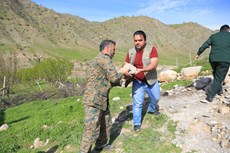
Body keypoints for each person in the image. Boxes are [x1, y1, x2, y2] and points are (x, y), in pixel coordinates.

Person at [79, 39, 131, 153]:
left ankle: (102, 145)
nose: (115, 52)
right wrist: (123, 71)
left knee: (106, 122)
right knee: (91, 129)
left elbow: (108, 79)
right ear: (107, 49)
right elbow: (114, 78)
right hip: (94, 100)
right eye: (114, 49)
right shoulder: (104, 59)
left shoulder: (97, 59)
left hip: (101, 99)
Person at [125, 30, 161, 131]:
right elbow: (126, 64)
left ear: (145, 40)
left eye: (140, 40)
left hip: (151, 79)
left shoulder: (152, 49)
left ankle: (151, 109)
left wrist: (142, 70)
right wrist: (125, 71)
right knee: (137, 102)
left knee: (156, 97)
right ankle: (137, 123)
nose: (137, 42)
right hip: (138, 80)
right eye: (135, 40)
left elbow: (154, 64)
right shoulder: (131, 51)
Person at [195, 24, 230, 102]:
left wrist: (198, 54)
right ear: (228, 29)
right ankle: (210, 95)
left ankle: (219, 90)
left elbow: (205, 45)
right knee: (219, 78)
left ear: (220, 30)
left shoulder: (214, 36)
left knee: (216, 74)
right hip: (225, 60)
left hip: (213, 59)